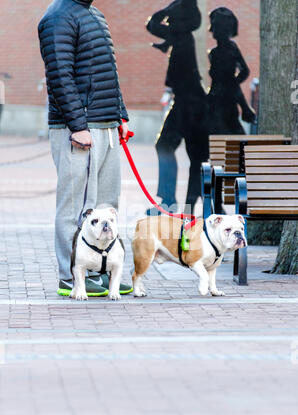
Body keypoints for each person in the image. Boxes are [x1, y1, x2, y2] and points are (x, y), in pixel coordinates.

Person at [38, 0, 132, 297]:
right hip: (78, 129)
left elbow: (108, 72)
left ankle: (100, 270)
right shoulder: (57, 17)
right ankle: (70, 276)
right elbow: (59, 75)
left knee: (106, 204)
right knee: (76, 206)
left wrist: (121, 114)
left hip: (106, 125)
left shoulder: (94, 14)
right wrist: (78, 126)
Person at [146, 0, 209, 215]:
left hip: (189, 103)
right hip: (188, 101)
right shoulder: (182, 38)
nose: (168, 21)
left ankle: (175, 203)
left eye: (172, 18)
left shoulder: (181, 37)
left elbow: (153, 24)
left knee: (176, 150)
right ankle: (175, 203)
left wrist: (167, 10)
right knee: (188, 154)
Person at [208, 7, 256, 134]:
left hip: (224, 105)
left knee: (233, 137)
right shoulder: (214, 53)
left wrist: (230, 85)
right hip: (216, 104)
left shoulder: (229, 50)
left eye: (214, 25)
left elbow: (243, 72)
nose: (212, 30)